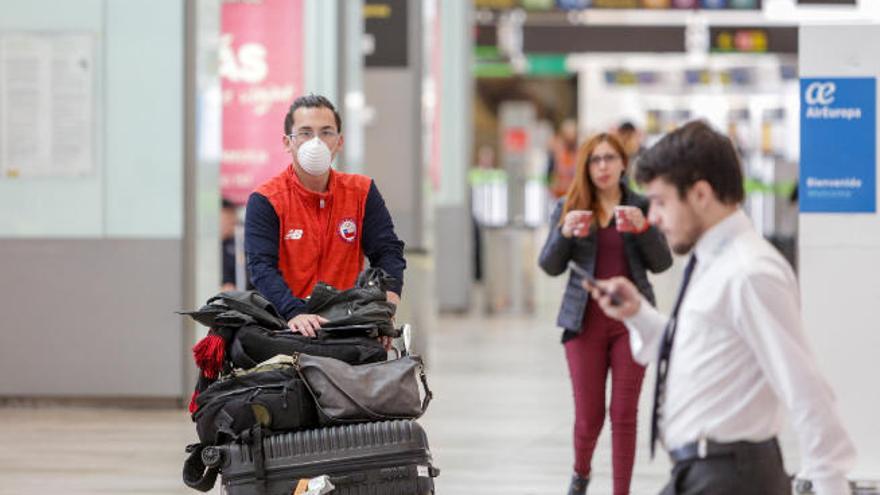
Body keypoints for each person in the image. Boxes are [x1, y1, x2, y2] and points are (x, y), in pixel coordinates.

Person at [586, 121, 855, 494]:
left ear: (700, 194)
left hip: (731, 477)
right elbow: (704, 350)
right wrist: (638, 315)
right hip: (701, 473)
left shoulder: (750, 273)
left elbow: (806, 391)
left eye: (662, 202)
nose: (654, 218)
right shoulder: (712, 262)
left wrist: (829, 485)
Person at [538, 133, 673, 495]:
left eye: (609, 158)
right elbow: (549, 265)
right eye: (595, 160)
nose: (602, 167)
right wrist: (564, 233)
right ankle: (580, 474)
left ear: (623, 163)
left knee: (624, 415)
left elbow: (662, 263)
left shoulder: (640, 206)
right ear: (586, 166)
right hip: (584, 324)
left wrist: (643, 230)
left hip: (632, 323)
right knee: (589, 418)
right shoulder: (569, 206)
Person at [244, 94, 406, 341]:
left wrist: (385, 310)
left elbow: (388, 253)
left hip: (346, 324)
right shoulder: (267, 199)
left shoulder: (361, 192)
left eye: (326, 132)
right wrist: (294, 313)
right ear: (287, 142)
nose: (316, 142)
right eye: (305, 132)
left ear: (339, 142)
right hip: (285, 324)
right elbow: (261, 267)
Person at [548, 118, 579, 198]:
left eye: (573, 135)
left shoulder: (579, 153)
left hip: (575, 195)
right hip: (558, 195)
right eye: (568, 135)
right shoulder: (556, 152)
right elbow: (549, 173)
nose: (570, 139)